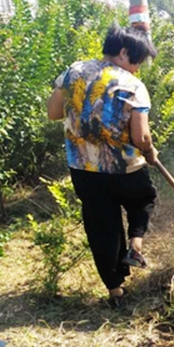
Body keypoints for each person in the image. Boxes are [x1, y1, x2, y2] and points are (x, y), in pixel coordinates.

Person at [47, 25, 159, 309]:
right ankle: (135, 245)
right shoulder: (132, 85)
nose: (137, 67)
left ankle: (115, 291)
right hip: (125, 169)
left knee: (102, 227)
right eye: (137, 59)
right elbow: (141, 136)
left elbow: (53, 113)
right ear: (123, 52)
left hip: (83, 169)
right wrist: (148, 150)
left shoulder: (72, 72)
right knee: (143, 198)